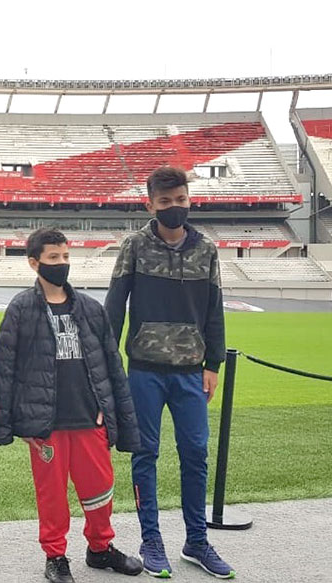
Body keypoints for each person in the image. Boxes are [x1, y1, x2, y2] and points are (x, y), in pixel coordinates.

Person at [0, 228, 143, 583]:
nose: (61, 263)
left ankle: (100, 548)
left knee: (101, 489)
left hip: (91, 418)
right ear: (35, 263)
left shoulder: (91, 309)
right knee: (52, 496)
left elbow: (112, 365)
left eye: (65, 257)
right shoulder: (21, 309)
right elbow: (5, 369)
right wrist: (11, 424)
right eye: (53, 258)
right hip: (47, 425)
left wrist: (116, 414)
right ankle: (55, 556)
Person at [105, 166, 233, 579]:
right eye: (165, 201)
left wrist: (213, 365)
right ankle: (151, 540)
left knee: (196, 453)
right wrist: (108, 366)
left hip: (191, 373)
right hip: (144, 371)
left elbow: (214, 309)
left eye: (180, 199)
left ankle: (197, 541)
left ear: (189, 200)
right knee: (145, 455)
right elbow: (114, 308)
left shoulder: (206, 249)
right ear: (150, 205)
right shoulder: (134, 246)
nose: (174, 207)